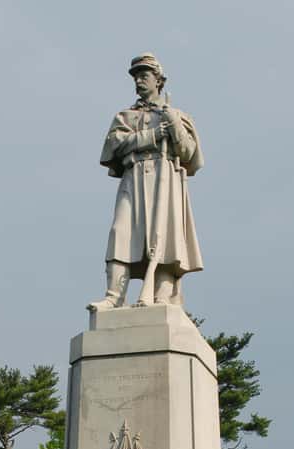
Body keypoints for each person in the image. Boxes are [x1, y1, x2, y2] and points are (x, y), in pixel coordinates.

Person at [88, 53, 203, 311]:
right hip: (134, 177)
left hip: (166, 178)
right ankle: (114, 295)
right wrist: (151, 135)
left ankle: (162, 294)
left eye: (144, 76)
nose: (139, 81)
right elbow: (113, 146)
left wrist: (172, 123)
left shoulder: (177, 115)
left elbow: (188, 153)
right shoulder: (125, 117)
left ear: (158, 80)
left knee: (165, 236)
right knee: (121, 232)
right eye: (136, 77)